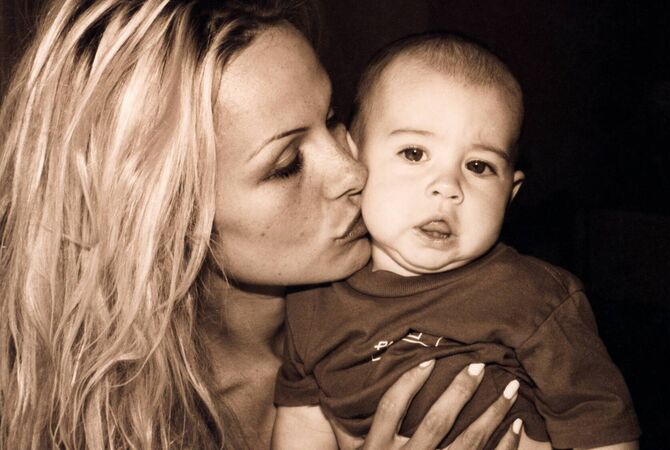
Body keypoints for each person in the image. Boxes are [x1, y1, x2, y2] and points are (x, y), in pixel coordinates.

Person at [0, 1, 525, 449]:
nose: (353, 170)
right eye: (287, 165)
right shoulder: (107, 424)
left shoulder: (471, 307)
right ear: (167, 218)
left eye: (332, 119)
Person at [273, 33, 641, 449]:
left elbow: (603, 430)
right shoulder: (311, 301)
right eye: (414, 153)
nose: (447, 186)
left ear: (510, 194)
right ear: (354, 161)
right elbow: (303, 421)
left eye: (478, 166)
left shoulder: (537, 298)